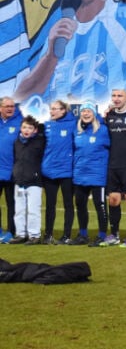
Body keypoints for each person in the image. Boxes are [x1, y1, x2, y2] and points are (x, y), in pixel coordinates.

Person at [101, 88, 126, 247]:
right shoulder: (109, 116)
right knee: (113, 200)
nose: (116, 99)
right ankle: (115, 235)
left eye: (120, 96)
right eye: (114, 96)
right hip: (112, 165)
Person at [71, 101, 110, 246]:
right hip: (80, 174)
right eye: (83, 111)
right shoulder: (77, 130)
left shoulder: (103, 130)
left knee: (99, 205)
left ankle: (101, 236)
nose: (86, 113)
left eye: (89, 111)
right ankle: (83, 235)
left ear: (94, 113)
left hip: (97, 175)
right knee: (80, 205)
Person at [40, 99, 75, 244]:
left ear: (63, 110)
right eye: (51, 108)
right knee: (50, 205)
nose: (52, 111)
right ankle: (48, 234)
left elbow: (93, 120)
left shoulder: (73, 124)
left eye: (55, 109)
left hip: (67, 171)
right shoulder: (46, 125)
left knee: (68, 204)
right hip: (49, 171)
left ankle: (66, 235)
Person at [9, 115, 46, 244]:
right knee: (19, 210)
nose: (26, 130)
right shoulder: (17, 142)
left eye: (30, 128)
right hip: (19, 181)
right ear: (20, 128)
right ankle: (20, 234)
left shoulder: (39, 141)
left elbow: (42, 128)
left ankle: (34, 235)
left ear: (35, 130)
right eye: (24, 127)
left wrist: (37, 125)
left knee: (33, 210)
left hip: (34, 182)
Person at [0, 97, 22, 242]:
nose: (10, 108)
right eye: (7, 106)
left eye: (12, 106)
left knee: (12, 203)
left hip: (12, 171)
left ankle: (12, 231)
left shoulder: (21, 122)